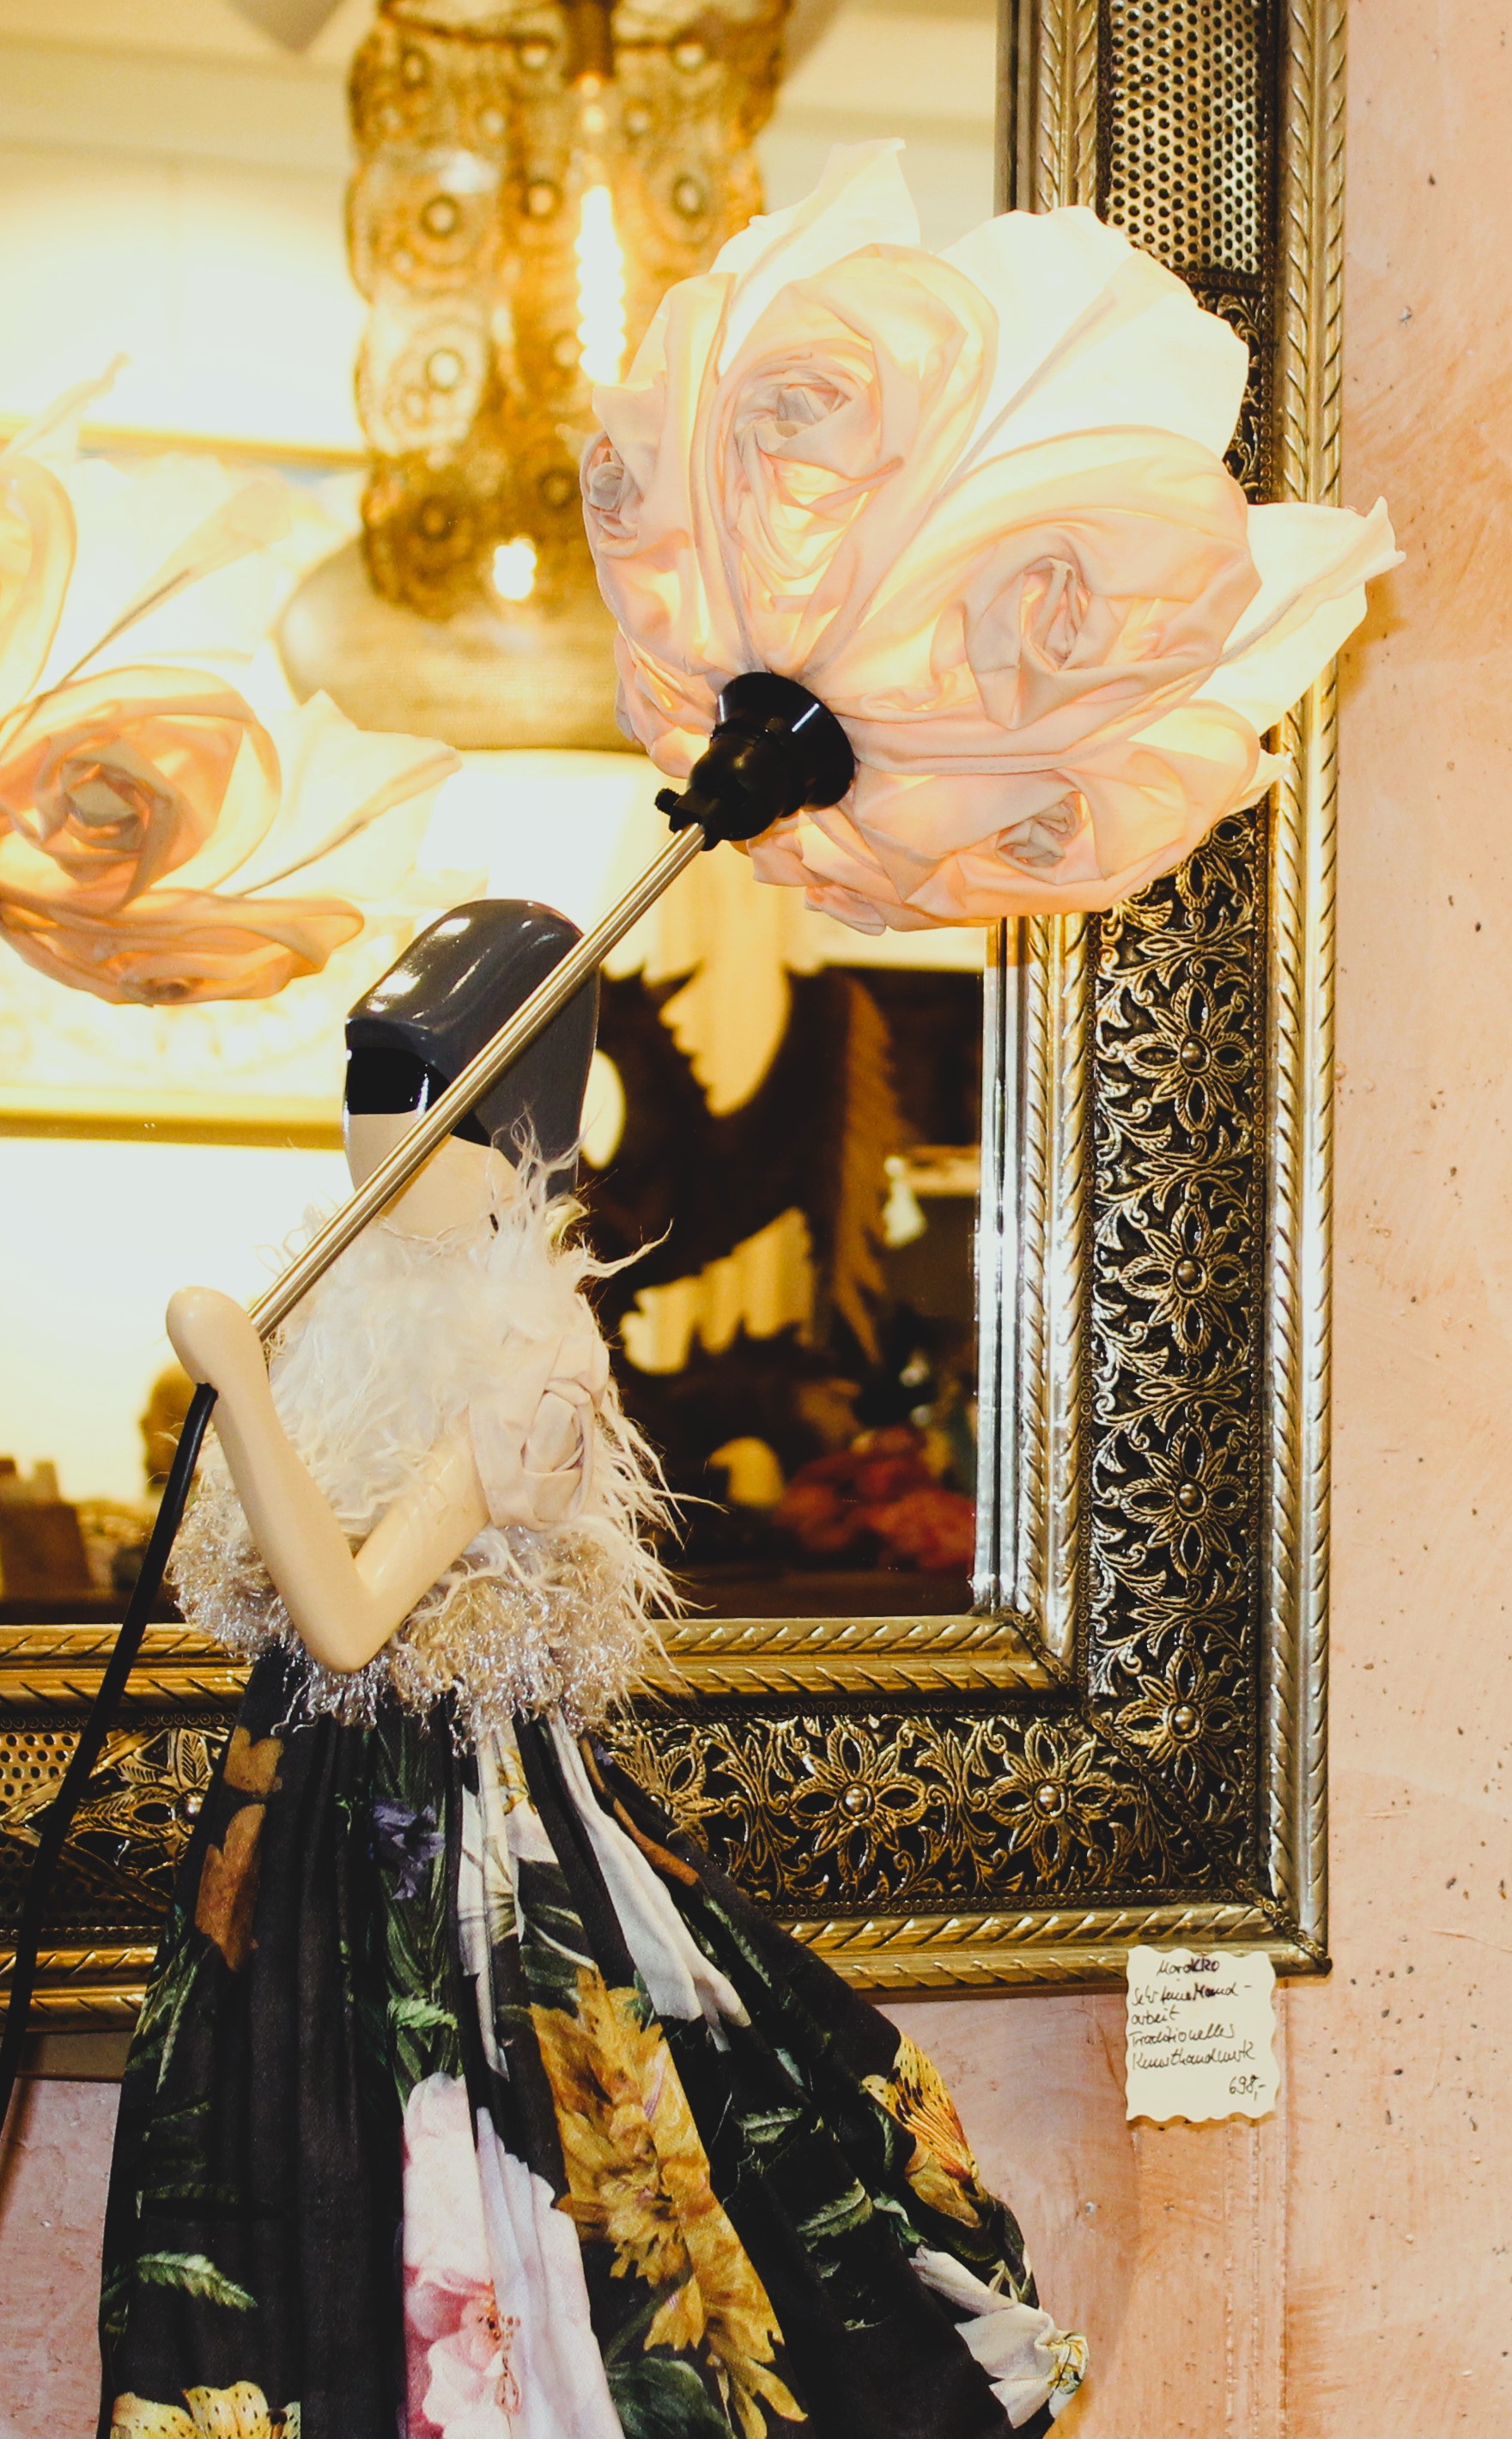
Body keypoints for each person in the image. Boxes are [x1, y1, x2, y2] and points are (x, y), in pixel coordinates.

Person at [106, 897, 1078, 2439]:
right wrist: (262, 1383)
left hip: (459, 1838)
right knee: (305, 2173)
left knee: (506, 2164)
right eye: (362, 1088)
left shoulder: (524, 1356)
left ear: (519, 1134)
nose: (375, 1133)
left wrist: (235, 1386)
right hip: (297, 1846)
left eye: (417, 1099)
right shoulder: (341, 1331)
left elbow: (351, 1619)